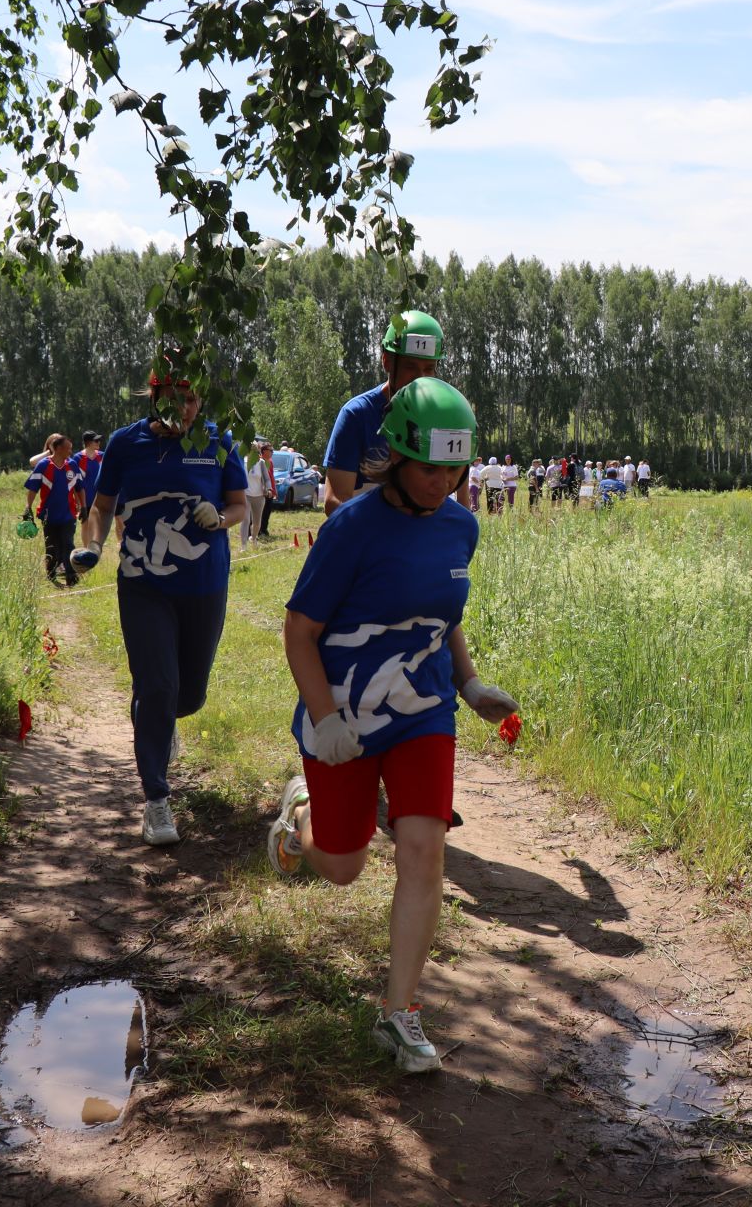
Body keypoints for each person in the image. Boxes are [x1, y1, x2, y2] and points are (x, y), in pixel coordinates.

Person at [266, 379, 518, 1073]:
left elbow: (443, 609)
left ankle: (399, 1014)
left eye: (455, 470)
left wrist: (467, 683)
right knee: (343, 868)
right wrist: (324, 718)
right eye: (431, 468)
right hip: (342, 714)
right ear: (398, 459)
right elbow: (299, 630)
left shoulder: (462, 524)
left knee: (422, 848)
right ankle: (298, 819)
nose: (445, 483)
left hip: (422, 712)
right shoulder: (353, 526)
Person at [72, 362, 248, 846]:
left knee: (187, 695)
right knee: (158, 685)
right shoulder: (127, 444)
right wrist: (93, 545)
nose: (184, 409)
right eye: (174, 399)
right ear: (154, 399)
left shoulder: (218, 442)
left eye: (191, 400)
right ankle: (155, 800)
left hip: (205, 585)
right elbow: (102, 507)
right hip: (143, 585)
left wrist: (220, 517)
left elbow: (241, 505)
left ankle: (162, 717)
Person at [323, 310, 445, 517]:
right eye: (411, 367)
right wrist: (386, 528)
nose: (420, 378)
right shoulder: (357, 415)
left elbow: (456, 498)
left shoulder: (444, 417)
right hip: (367, 539)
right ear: (387, 361)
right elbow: (335, 501)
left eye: (429, 369)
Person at [24, 433, 83, 586]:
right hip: (48, 515)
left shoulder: (72, 466)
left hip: (69, 514)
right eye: (67, 448)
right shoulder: (43, 466)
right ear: (57, 448)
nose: (70, 452)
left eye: (71, 448)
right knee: (52, 547)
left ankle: (71, 575)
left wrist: (84, 507)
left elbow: (79, 488)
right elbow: (32, 489)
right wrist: (28, 508)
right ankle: (51, 573)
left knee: (68, 544)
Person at [76, 432, 104, 545]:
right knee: (85, 524)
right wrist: (78, 502)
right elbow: (76, 482)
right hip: (85, 499)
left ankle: (95, 549)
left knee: (98, 525)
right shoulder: (78, 458)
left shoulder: (102, 456)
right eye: (96, 441)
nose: (99, 443)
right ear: (88, 443)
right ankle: (86, 549)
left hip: (100, 498)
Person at [245, 441, 273, 550]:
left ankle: (254, 537)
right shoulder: (242, 461)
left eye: (255, 449)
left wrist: (269, 489)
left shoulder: (261, 463)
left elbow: (267, 478)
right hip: (246, 495)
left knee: (256, 522)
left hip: (259, 495)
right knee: (246, 520)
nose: (253, 451)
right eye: (251, 449)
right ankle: (244, 545)